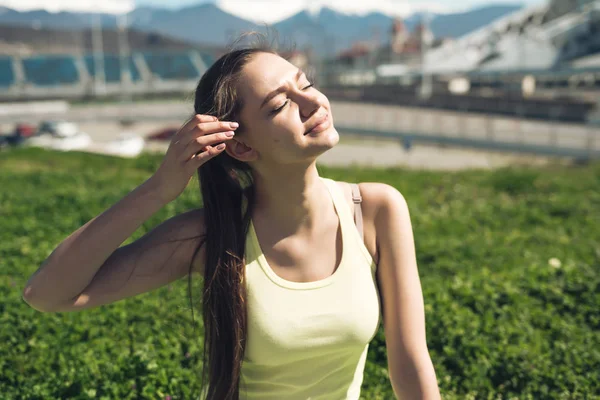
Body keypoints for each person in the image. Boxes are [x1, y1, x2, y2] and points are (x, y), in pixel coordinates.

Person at [22, 35, 441, 400]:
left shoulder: (376, 210)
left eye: (307, 84)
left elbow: (409, 366)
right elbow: (46, 293)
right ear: (240, 148)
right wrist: (160, 188)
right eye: (281, 104)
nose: (313, 102)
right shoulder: (214, 234)